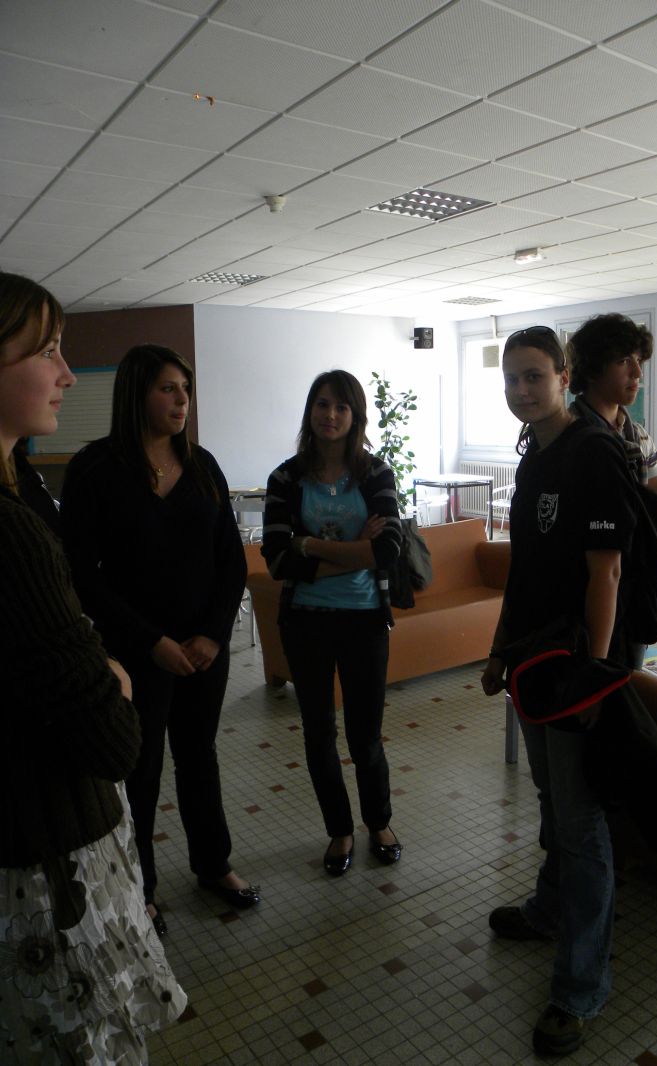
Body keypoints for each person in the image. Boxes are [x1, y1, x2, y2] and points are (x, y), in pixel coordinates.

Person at [0, 272, 186, 1063]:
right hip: (43, 852)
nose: (68, 374)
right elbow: (113, 743)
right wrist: (115, 673)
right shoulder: (14, 528)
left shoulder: (25, 491)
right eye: (47, 351)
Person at [60, 344, 259, 937]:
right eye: (168, 388)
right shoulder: (95, 469)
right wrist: (152, 642)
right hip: (136, 653)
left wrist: (214, 636)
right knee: (140, 770)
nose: (182, 400)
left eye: (186, 389)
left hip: (202, 651)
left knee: (199, 756)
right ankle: (140, 887)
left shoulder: (201, 465)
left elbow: (231, 562)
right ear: (136, 393)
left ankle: (213, 864)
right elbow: (82, 576)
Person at [481, 326, 638, 1057]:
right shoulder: (533, 457)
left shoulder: (594, 452)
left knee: (580, 822)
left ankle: (581, 987)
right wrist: (499, 650)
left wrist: (594, 676)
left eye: (534, 376)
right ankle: (550, 909)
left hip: (576, 668)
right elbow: (527, 570)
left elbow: (607, 573)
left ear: (564, 376)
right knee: (553, 801)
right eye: (512, 378)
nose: (521, 390)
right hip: (533, 663)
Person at [262, 370, 403, 876]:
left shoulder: (376, 474)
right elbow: (278, 560)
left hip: (365, 621)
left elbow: (388, 551)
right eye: (322, 404)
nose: (330, 415)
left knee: (366, 736)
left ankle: (378, 823)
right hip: (306, 623)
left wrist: (311, 544)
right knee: (319, 734)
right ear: (310, 411)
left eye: (342, 407)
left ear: (355, 416)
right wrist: (355, 549)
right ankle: (340, 831)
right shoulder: (285, 479)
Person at [567, 313, 657, 530]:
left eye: (638, 360)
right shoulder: (567, 435)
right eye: (623, 361)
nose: (637, 373)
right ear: (592, 370)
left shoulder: (638, 437)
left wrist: (636, 531)